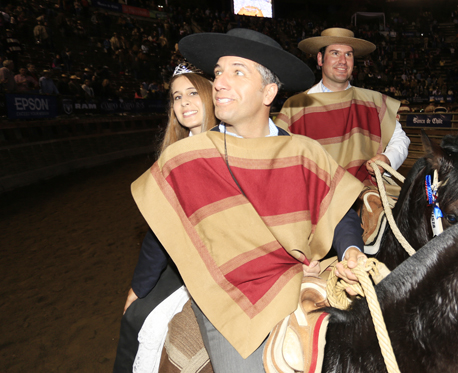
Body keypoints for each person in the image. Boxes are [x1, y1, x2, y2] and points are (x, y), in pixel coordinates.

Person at [130, 28, 365, 373]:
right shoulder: (187, 159)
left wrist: (351, 251)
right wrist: (137, 290)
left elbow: (338, 210)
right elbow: (163, 231)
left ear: (269, 92)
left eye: (237, 72)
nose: (221, 83)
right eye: (219, 72)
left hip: (298, 278)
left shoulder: (303, 152)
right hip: (228, 299)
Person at [113, 63, 219, 373]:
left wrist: (139, 287)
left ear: (211, 95)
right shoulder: (173, 152)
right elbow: (160, 230)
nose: (184, 103)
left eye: (192, 93)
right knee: (135, 316)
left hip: (219, 263)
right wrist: (139, 287)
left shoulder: (230, 145)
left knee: (138, 313)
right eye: (176, 97)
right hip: (183, 260)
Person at [274, 28, 410, 185]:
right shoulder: (296, 106)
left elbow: (400, 139)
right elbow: (277, 152)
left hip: (363, 192)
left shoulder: (373, 101)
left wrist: (388, 158)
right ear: (320, 59)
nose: (343, 61)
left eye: (348, 54)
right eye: (335, 53)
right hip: (313, 196)